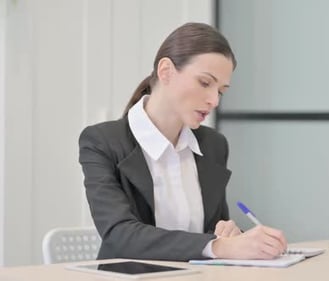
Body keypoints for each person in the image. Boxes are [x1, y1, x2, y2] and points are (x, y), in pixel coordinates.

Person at [78, 22, 287, 262]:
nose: (214, 101)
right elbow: (120, 235)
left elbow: (214, 231)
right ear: (165, 71)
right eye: (205, 83)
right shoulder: (102, 142)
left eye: (221, 91)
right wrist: (218, 247)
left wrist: (230, 235)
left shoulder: (214, 145)